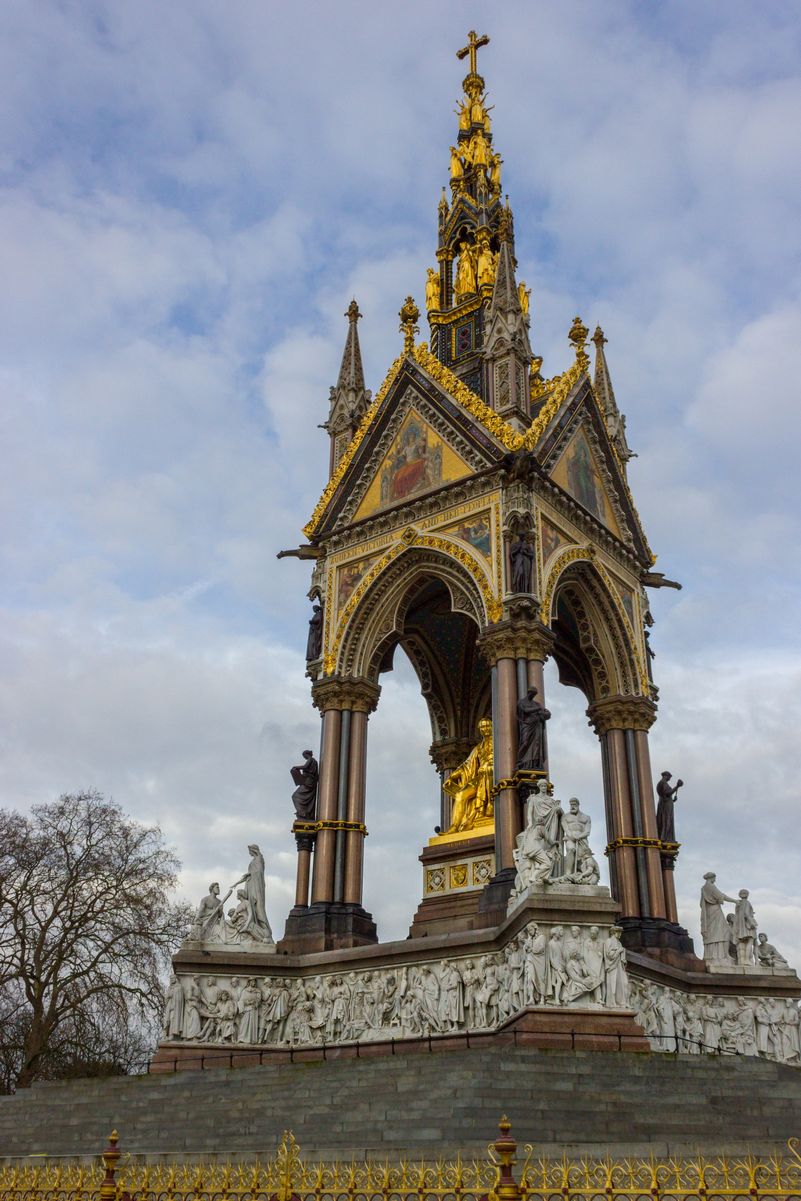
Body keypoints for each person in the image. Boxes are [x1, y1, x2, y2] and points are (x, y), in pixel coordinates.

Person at [237, 845, 275, 947]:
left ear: (253, 850)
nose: (249, 852)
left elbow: (259, 873)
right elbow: (253, 872)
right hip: (251, 886)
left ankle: (265, 931)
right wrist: (248, 875)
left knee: (259, 910)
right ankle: (257, 931)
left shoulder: (259, 859)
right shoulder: (254, 860)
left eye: (250, 850)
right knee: (252, 908)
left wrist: (250, 874)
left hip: (256, 888)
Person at [700, 872, 737, 962]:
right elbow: (722, 896)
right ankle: (723, 955)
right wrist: (734, 901)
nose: (715, 880)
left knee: (712, 932)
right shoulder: (711, 886)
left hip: (708, 912)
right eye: (714, 878)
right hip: (715, 911)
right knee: (724, 931)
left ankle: (713, 954)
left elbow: (701, 903)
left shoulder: (703, 888)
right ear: (711, 878)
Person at [516, 687, 551, 773]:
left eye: (535, 694)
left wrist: (546, 714)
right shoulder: (522, 702)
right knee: (525, 742)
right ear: (529, 693)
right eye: (533, 694)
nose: (534, 696)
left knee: (536, 744)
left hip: (536, 725)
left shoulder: (536, 704)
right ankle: (520, 762)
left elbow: (546, 713)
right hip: (527, 725)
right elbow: (525, 710)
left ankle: (535, 764)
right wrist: (538, 709)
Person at [290, 750, 319, 821]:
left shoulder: (311, 759)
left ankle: (303, 813)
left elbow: (305, 767)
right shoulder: (314, 761)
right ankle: (304, 813)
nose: (304, 757)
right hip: (309, 781)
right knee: (298, 797)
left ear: (307, 754)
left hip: (308, 782)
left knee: (295, 796)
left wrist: (296, 767)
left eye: (304, 756)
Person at [656, 771, 683, 842]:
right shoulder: (663, 783)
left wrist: (673, 800)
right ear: (666, 776)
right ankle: (665, 838)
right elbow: (668, 793)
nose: (669, 779)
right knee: (666, 820)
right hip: (666, 805)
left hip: (665, 804)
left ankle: (667, 837)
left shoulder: (662, 783)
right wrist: (677, 786)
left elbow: (666, 796)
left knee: (667, 820)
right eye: (669, 777)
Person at [733, 889, 757, 966]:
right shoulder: (747, 902)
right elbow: (746, 913)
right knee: (750, 941)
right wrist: (752, 923)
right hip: (747, 925)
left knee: (745, 942)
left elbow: (737, 916)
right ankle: (747, 959)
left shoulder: (738, 903)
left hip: (741, 927)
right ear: (747, 895)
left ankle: (744, 960)